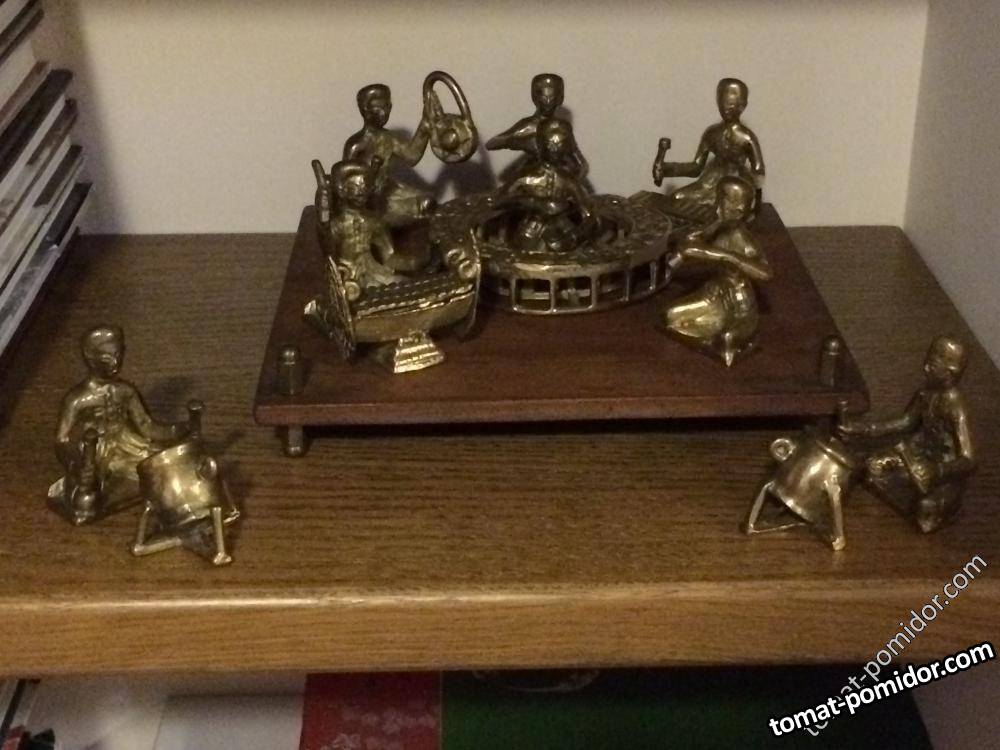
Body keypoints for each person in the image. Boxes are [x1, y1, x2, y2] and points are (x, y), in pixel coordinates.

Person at [836, 336, 976, 532]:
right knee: (872, 468)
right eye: (927, 361)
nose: (925, 368)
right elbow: (905, 422)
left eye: (933, 365)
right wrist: (862, 429)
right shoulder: (925, 393)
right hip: (915, 456)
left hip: (941, 471)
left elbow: (969, 459)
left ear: (950, 373)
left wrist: (936, 471)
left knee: (926, 510)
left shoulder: (955, 406)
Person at [50, 326, 189, 522]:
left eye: (118, 354)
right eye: (107, 358)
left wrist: (178, 430)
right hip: (96, 451)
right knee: (87, 498)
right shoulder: (77, 400)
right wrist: (74, 465)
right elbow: (61, 440)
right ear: (91, 359)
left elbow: (146, 425)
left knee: (164, 465)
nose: (115, 362)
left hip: (127, 443)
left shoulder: (125, 391)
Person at [662, 176, 772, 366]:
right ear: (718, 202)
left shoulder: (743, 240)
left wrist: (728, 257)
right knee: (670, 316)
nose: (735, 208)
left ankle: (722, 339)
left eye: (741, 203)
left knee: (727, 339)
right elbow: (687, 245)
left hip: (739, 302)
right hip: (714, 294)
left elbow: (767, 273)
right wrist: (710, 228)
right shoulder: (716, 229)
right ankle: (709, 334)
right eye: (728, 200)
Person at [653, 78, 764, 222]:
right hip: (709, 183)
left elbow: (759, 171)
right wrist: (666, 169)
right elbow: (696, 168)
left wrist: (752, 197)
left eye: (731, 105)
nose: (726, 109)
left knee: (721, 212)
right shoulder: (712, 133)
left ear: (742, 106)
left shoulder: (746, 137)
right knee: (677, 198)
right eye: (723, 103)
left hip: (733, 187)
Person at [493, 118, 596, 253]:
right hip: (531, 232)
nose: (555, 149)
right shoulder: (527, 176)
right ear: (540, 145)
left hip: (562, 233)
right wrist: (535, 203)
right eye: (550, 144)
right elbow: (499, 201)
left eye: (560, 144)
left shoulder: (567, 180)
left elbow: (589, 214)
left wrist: (574, 236)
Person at [343, 83, 434, 226]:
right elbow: (344, 180)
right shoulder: (356, 145)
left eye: (387, 106)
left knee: (427, 203)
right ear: (365, 110)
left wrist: (425, 125)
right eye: (379, 107)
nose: (385, 111)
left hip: (387, 192)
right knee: (376, 217)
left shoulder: (389, 138)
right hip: (366, 201)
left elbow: (412, 156)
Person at [487, 73, 589, 180]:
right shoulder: (527, 126)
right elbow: (491, 144)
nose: (548, 102)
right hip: (532, 178)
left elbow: (582, 165)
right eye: (544, 97)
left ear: (560, 98)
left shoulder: (563, 128)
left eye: (552, 98)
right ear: (534, 98)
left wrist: (569, 182)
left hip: (555, 180)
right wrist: (514, 139)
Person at [326, 159, 402, 297]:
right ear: (343, 190)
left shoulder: (372, 221)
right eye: (356, 187)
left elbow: (388, 254)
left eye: (365, 187)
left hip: (373, 271)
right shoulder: (337, 224)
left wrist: (413, 263)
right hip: (347, 275)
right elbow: (329, 253)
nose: (362, 192)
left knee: (401, 284)